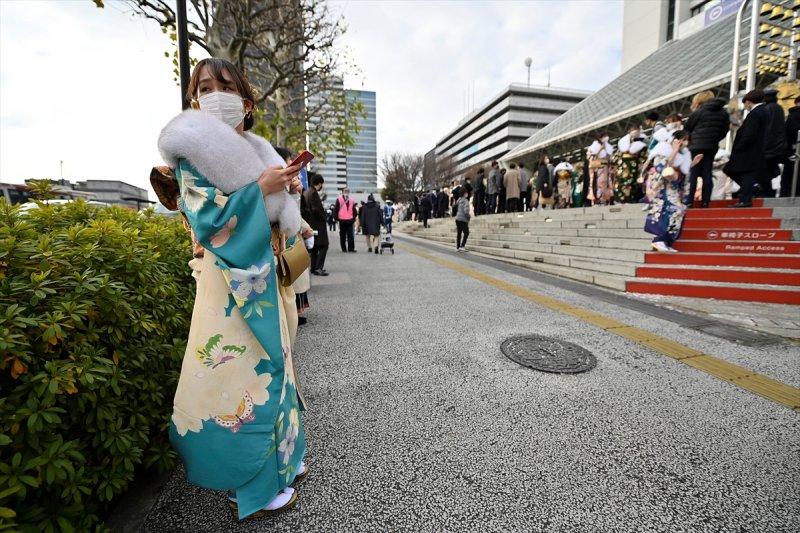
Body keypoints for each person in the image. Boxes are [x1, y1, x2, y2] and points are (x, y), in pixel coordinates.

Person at [157, 57, 306, 519]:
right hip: (228, 284)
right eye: (204, 87)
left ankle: (286, 459)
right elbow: (208, 222)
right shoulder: (191, 150)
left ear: (246, 100)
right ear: (194, 99)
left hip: (262, 275)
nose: (214, 94)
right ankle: (254, 487)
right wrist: (261, 189)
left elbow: (277, 215)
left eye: (224, 85)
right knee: (242, 379)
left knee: (277, 369)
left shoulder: (262, 150)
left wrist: (287, 192)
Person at [644, 130, 693, 252]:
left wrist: (692, 164)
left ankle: (666, 241)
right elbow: (663, 167)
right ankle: (658, 240)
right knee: (665, 211)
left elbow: (683, 172)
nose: (686, 142)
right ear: (677, 139)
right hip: (662, 187)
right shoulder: (663, 150)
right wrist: (675, 150)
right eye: (684, 139)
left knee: (677, 211)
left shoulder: (685, 154)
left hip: (674, 188)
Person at [724, 89, 770, 208]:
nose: (745, 106)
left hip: (747, 150)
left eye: (745, 103)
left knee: (744, 173)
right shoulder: (764, 111)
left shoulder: (755, 113)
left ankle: (745, 198)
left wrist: (740, 146)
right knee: (738, 172)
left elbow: (750, 133)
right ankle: (751, 190)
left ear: (749, 102)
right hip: (754, 149)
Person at [684, 90, 730, 207]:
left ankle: (690, 200)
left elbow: (687, 128)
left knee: (694, 173)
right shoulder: (723, 113)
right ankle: (705, 201)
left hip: (696, 146)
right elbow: (724, 131)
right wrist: (714, 139)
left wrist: (691, 141)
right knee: (707, 173)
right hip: (711, 146)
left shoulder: (699, 112)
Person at [304, 172, 330, 276]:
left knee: (314, 247)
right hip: (317, 224)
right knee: (324, 245)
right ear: (319, 183)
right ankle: (319, 267)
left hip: (311, 224)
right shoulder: (313, 193)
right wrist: (324, 217)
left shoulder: (307, 192)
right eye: (321, 184)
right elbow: (316, 209)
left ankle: (313, 268)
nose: (321, 187)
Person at [615, 125, 648, 203]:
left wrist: (642, 163)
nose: (634, 132)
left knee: (633, 182)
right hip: (623, 165)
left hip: (634, 165)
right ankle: (622, 199)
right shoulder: (623, 142)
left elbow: (643, 155)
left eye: (636, 131)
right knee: (622, 182)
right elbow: (618, 155)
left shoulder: (641, 141)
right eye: (632, 130)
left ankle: (631, 199)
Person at [763, 88, 786, 197]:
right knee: (772, 169)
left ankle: (767, 192)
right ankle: (771, 191)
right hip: (778, 145)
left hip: (768, 146)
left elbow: (767, 129)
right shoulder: (779, 109)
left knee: (765, 170)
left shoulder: (767, 109)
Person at [587, 132, 615, 205]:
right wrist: (600, 149)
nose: (606, 138)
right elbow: (591, 157)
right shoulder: (593, 146)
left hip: (605, 167)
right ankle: (598, 200)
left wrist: (605, 149)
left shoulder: (607, 145)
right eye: (605, 136)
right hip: (598, 167)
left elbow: (610, 157)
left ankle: (605, 200)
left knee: (605, 182)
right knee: (598, 183)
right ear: (600, 138)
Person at [781, 96, 800, 197]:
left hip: (791, 151)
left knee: (789, 176)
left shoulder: (792, 116)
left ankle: (786, 195)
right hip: (795, 150)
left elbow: (787, 133)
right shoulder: (795, 115)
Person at [334, 188, 358, 252]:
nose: (346, 192)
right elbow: (336, 209)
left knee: (351, 235)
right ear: (342, 192)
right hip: (342, 220)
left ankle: (351, 249)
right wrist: (337, 219)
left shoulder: (351, 200)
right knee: (343, 236)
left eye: (348, 191)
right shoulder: (339, 199)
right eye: (345, 191)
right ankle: (344, 249)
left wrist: (353, 218)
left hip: (350, 220)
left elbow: (354, 210)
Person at [455, 187, 471, 251]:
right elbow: (466, 211)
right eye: (466, 193)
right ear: (465, 194)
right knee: (466, 232)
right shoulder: (466, 201)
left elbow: (456, 208)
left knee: (459, 233)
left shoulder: (458, 200)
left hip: (457, 218)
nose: (467, 194)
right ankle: (462, 245)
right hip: (463, 219)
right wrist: (468, 217)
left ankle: (458, 247)